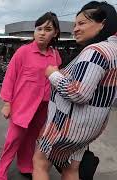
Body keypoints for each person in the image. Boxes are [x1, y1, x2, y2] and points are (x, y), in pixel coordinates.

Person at [33, 2, 117, 180]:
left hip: (68, 125)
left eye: (82, 23)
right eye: (75, 25)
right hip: (88, 128)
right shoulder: (113, 50)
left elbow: (79, 93)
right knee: (71, 169)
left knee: (40, 163)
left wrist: (53, 74)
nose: (76, 29)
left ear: (103, 23)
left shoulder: (96, 51)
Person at [0, 12, 62, 180]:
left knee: (32, 139)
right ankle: (1, 173)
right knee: (13, 140)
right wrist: (7, 103)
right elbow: (10, 77)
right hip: (22, 106)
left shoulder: (55, 55)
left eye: (47, 29)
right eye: (38, 28)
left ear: (55, 33)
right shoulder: (23, 52)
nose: (41, 33)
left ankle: (25, 166)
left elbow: (57, 78)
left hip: (44, 107)